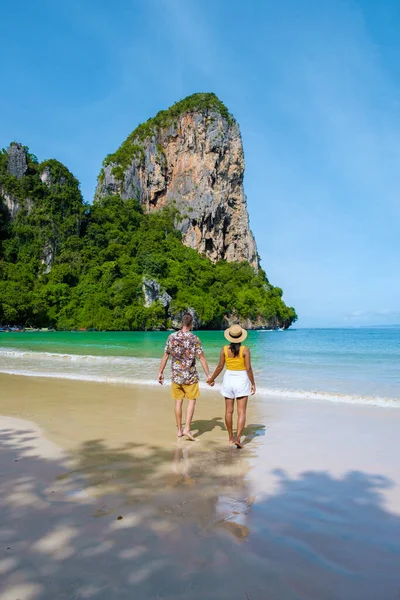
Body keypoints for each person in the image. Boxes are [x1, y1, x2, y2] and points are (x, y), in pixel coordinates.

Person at [158, 313, 212, 440]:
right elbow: (201, 357)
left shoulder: (171, 337)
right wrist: (208, 375)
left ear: (182, 323)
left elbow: (166, 355)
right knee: (191, 401)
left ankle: (179, 430)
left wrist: (160, 372)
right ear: (191, 324)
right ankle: (187, 428)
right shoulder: (194, 338)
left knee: (178, 402)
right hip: (190, 376)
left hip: (176, 376)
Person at [207, 324, 256, 448]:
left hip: (228, 380)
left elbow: (219, 367)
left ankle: (230, 438)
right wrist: (253, 383)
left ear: (230, 337)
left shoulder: (224, 349)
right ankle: (238, 439)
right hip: (241, 380)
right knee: (241, 412)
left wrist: (211, 379)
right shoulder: (245, 350)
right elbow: (248, 368)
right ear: (241, 337)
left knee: (228, 412)